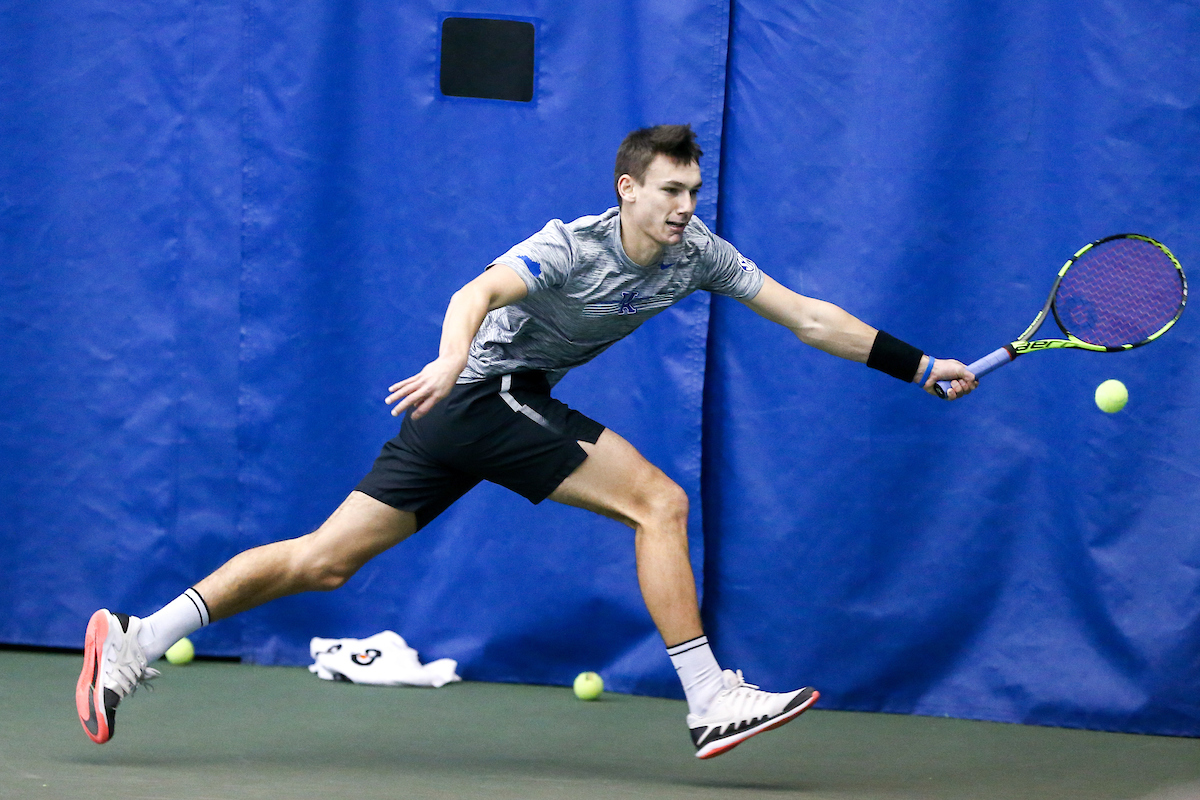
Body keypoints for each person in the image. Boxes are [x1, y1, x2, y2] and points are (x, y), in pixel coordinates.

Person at [76, 124, 977, 759]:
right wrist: (446, 361)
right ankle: (710, 697)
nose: (685, 206)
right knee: (658, 502)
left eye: (694, 191)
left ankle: (135, 639)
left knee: (323, 562)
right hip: (479, 394)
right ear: (628, 188)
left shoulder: (698, 252)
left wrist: (919, 363)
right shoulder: (571, 246)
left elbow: (809, 317)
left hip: (478, 411)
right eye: (670, 191)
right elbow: (475, 292)